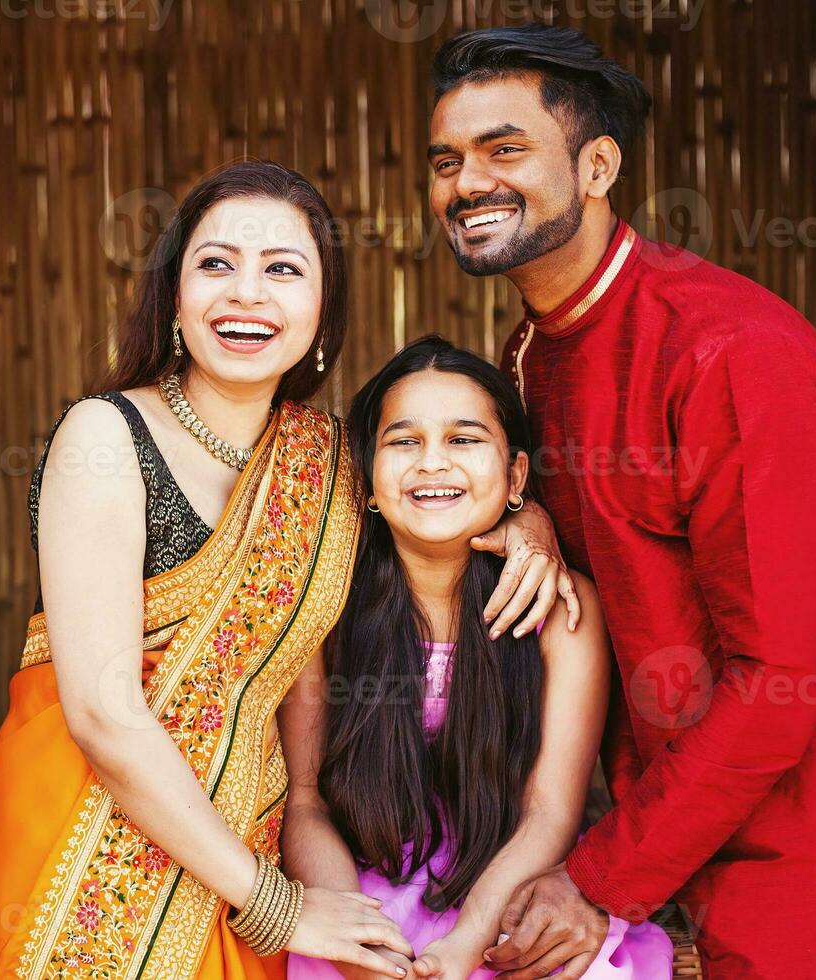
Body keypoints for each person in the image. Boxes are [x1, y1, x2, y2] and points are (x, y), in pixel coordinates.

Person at [0, 160, 576, 979]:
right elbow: (103, 714)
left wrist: (529, 523)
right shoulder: (104, 438)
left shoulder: (325, 464)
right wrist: (277, 905)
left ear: (323, 310)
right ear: (174, 295)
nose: (247, 293)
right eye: (216, 264)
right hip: (83, 850)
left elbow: (435, 502)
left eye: (283, 269)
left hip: (243, 856)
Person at [423, 23, 816, 979]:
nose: (466, 184)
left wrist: (598, 880)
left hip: (807, 849)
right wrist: (526, 514)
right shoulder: (529, 353)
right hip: (655, 834)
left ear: (597, 166)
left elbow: (777, 681)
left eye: (505, 150)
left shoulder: (729, 352)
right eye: (446, 160)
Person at [280, 336, 674, 980]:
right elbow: (306, 800)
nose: (433, 463)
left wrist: (466, 946)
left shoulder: (565, 614)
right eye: (404, 442)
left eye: (464, 440)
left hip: (507, 895)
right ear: (368, 481)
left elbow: (550, 812)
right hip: (356, 898)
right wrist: (356, 939)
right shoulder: (323, 607)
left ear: (516, 476)